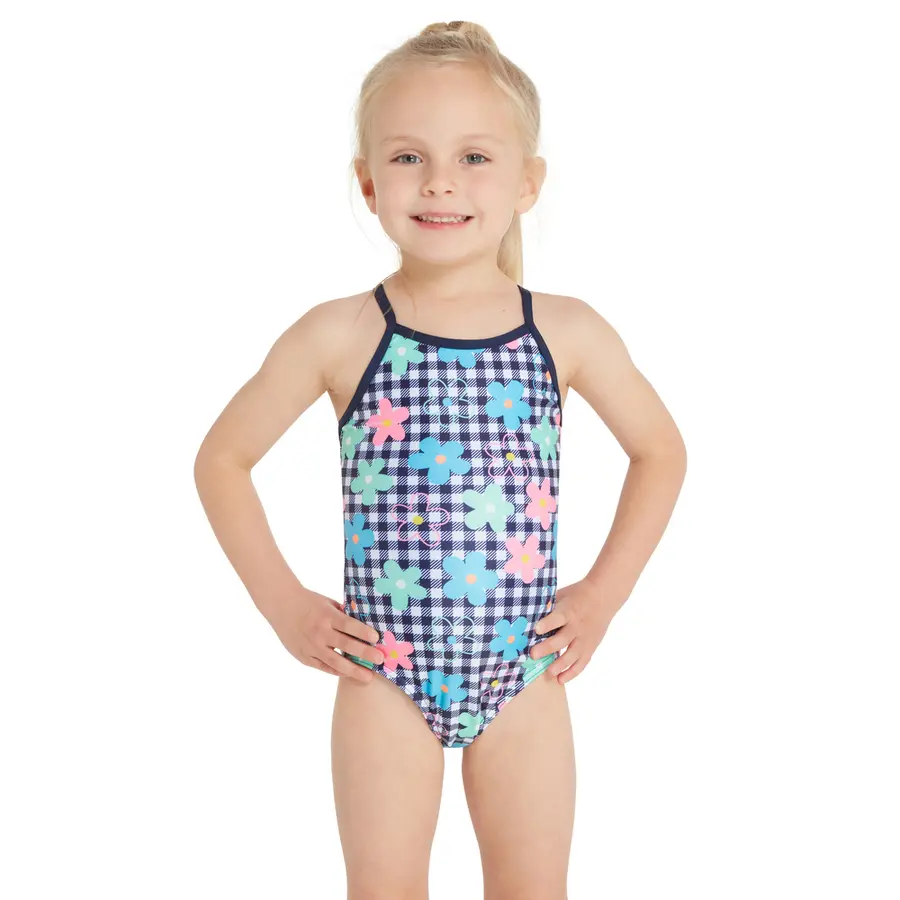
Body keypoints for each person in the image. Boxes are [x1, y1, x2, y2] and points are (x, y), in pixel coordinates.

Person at [194, 20, 687, 900]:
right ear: (368, 181)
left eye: (474, 157)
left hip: (523, 670)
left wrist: (602, 597)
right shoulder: (340, 333)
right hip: (384, 670)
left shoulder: (566, 331)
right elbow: (222, 459)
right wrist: (284, 606)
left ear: (528, 182)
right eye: (409, 157)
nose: (441, 181)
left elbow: (661, 451)